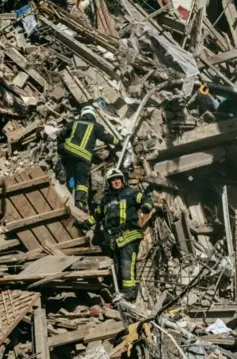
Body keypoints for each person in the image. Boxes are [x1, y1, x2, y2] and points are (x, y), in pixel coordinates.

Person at [74, 168, 155, 302]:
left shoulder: (131, 193)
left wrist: (146, 207)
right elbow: (97, 216)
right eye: (113, 180)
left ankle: (129, 293)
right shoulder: (106, 199)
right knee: (118, 267)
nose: (116, 181)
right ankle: (123, 292)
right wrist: (85, 224)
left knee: (126, 264)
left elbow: (147, 200)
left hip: (130, 235)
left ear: (122, 180)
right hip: (114, 240)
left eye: (118, 179)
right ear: (109, 183)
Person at [57, 106, 119, 213]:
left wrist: (60, 140)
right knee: (82, 180)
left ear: (82, 114)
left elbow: (62, 135)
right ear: (94, 115)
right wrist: (118, 141)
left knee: (61, 149)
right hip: (83, 157)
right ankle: (80, 202)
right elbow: (107, 137)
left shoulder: (74, 123)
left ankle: (61, 168)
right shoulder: (97, 127)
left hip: (69, 151)